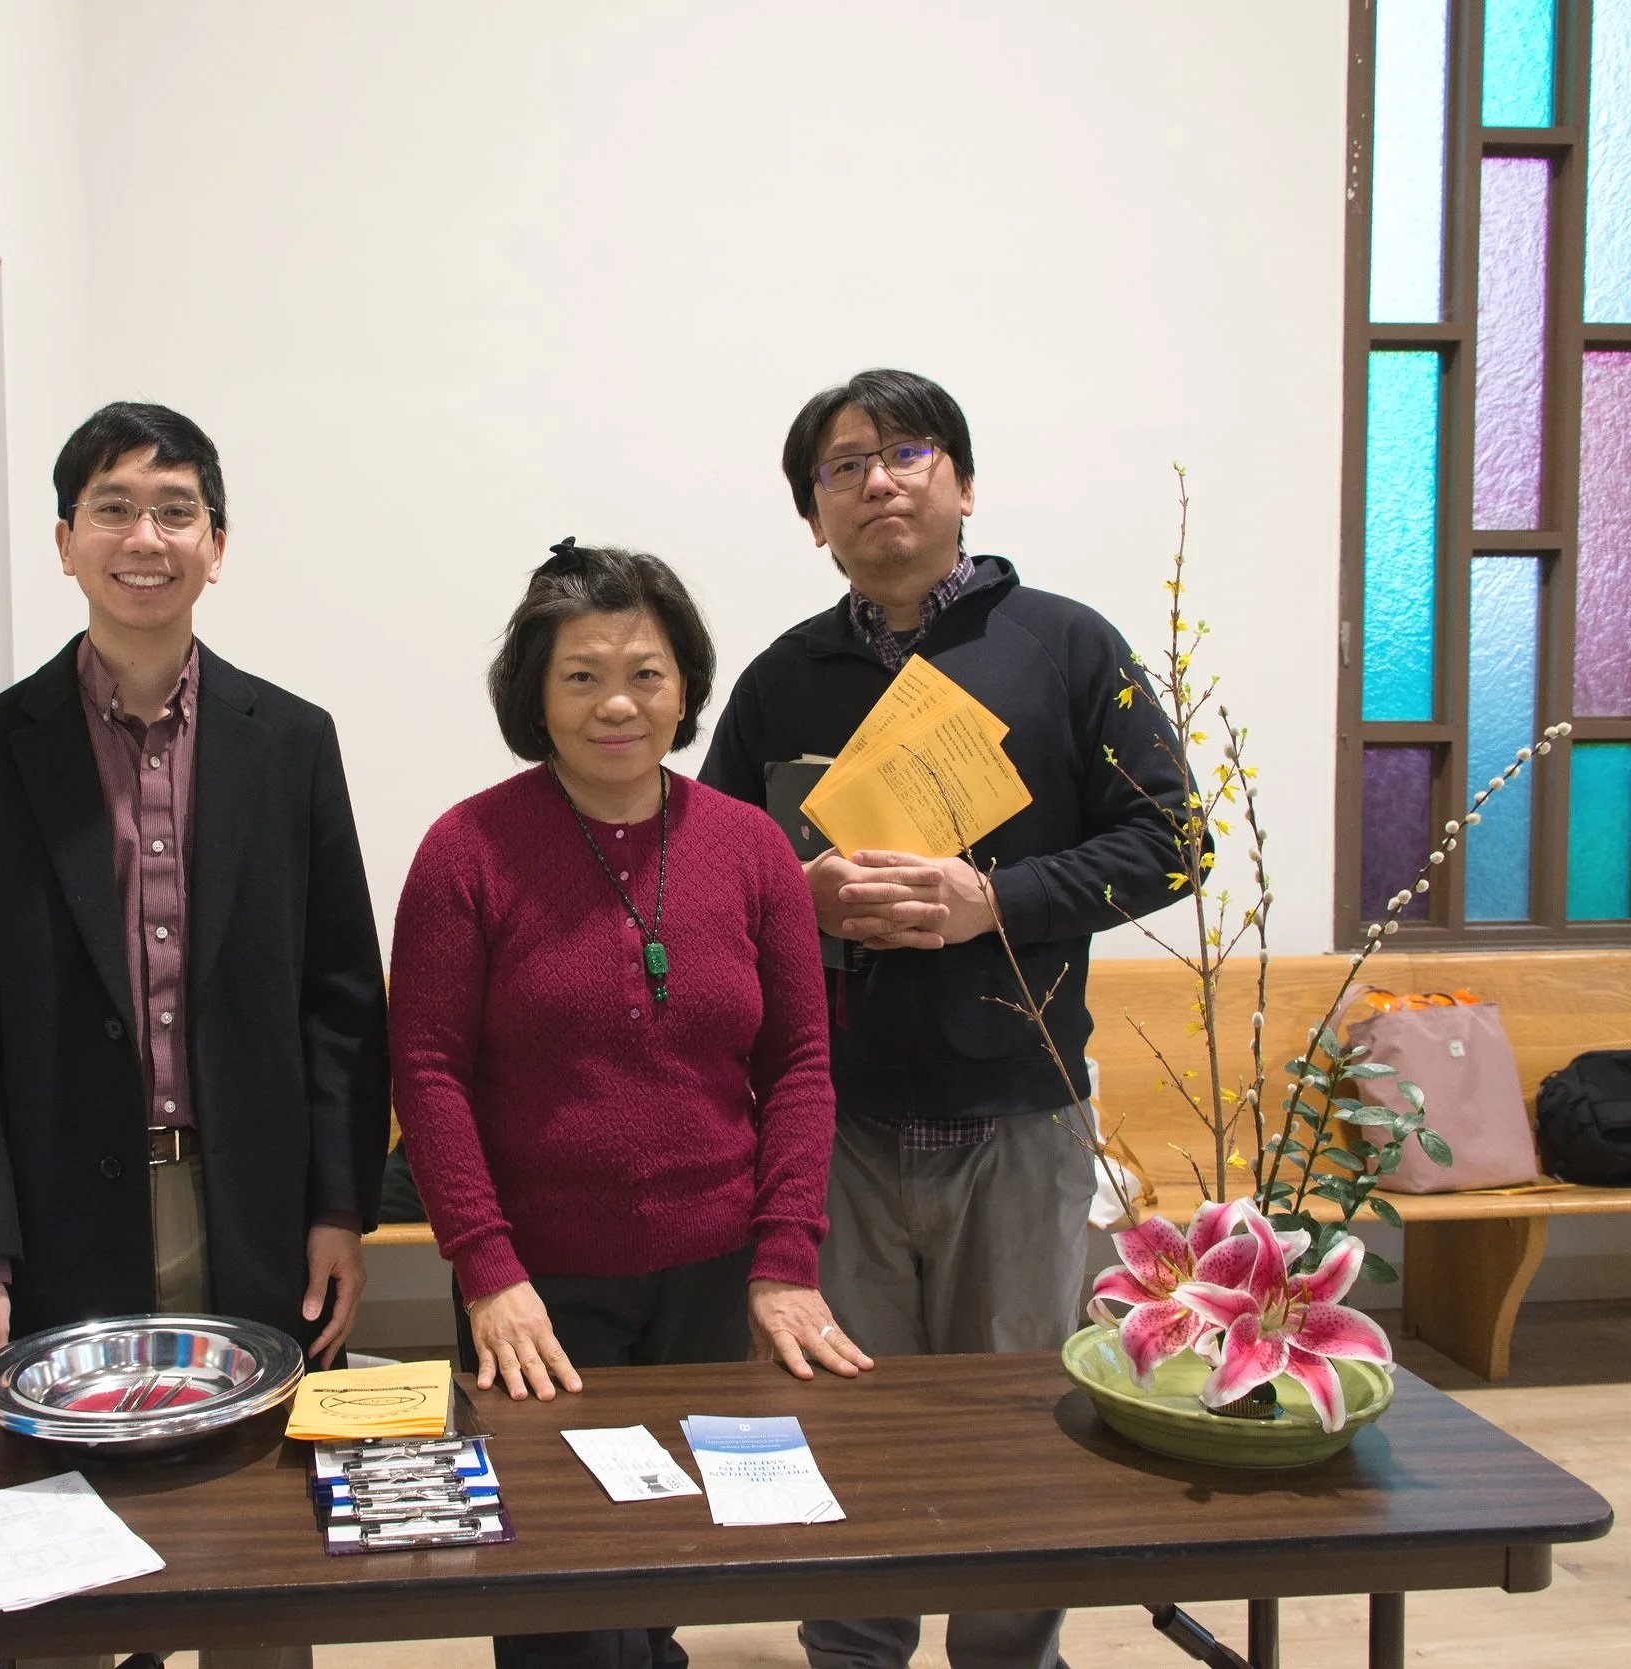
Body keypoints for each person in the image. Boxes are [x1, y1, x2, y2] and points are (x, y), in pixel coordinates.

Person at [698, 370, 1191, 1669]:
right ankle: (853, 1651)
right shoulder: (779, 679)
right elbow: (701, 880)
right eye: (841, 467)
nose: (877, 481)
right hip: (837, 1121)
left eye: (906, 452)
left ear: (962, 484)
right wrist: (789, 893)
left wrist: (997, 897)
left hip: (1021, 1112)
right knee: (842, 1422)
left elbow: (1173, 841)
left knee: (1022, 1419)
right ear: (815, 516)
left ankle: (1008, 1660)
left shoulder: (1067, 646)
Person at [392, 540, 870, 1669]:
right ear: (536, 698)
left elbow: (800, 1062)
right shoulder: (468, 850)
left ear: (687, 686)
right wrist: (486, 1272)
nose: (618, 702)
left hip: (708, 1276)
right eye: (581, 676)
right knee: (560, 1575)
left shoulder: (750, 848)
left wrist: (784, 1258)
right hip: (539, 1284)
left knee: (664, 1541)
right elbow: (427, 1069)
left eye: (646, 673)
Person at [0, 398, 390, 1385]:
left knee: (249, 1486)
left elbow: (340, 996)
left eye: (175, 510)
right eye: (113, 509)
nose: (144, 539)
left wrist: (339, 1206)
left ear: (216, 545)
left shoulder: (292, 743)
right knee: (79, 1494)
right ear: (66, 541)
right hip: (56, 1209)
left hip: (253, 1203)